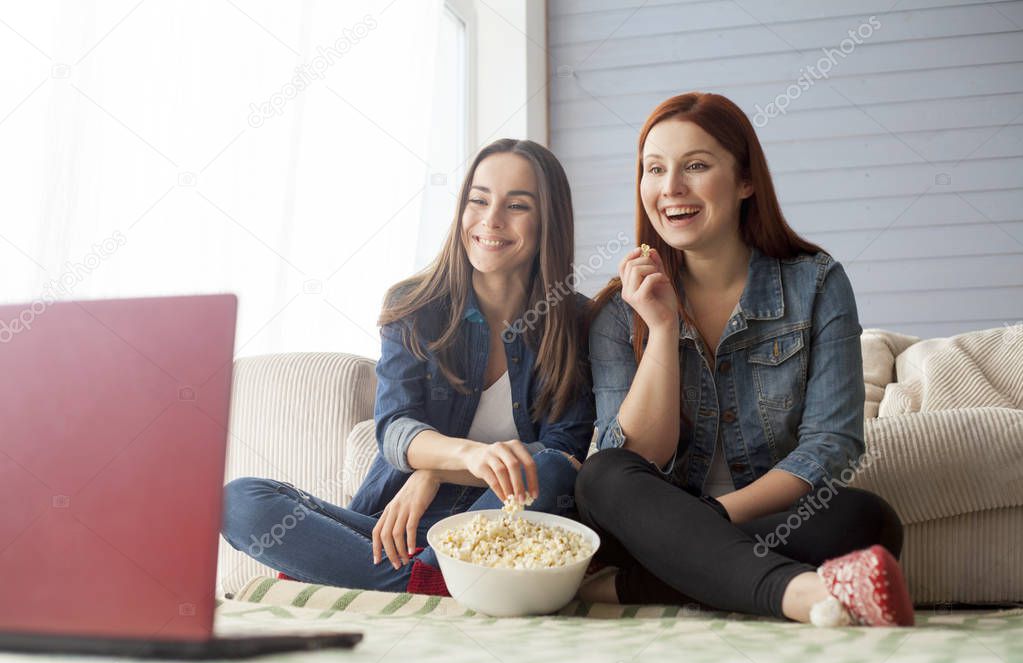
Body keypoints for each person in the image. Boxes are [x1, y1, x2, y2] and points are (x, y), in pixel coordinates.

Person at [575, 92, 914, 627]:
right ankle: (798, 592)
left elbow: (832, 445)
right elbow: (637, 459)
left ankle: (630, 586)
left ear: (746, 180)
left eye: (696, 166)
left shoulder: (817, 283)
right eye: (654, 169)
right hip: (648, 523)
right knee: (601, 474)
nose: (670, 188)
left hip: (761, 519)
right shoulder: (620, 312)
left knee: (867, 520)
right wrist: (662, 327)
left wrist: (710, 519)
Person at [222, 139, 595, 595]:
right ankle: (427, 582)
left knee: (554, 469)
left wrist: (435, 470)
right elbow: (395, 427)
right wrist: (469, 456)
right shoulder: (413, 307)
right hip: (391, 529)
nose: (491, 220)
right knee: (240, 501)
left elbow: (564, 453)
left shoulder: (575, 321)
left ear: (548, 221)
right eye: (478, 200)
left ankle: (369, 577)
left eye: (517, 205)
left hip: (499, 527)